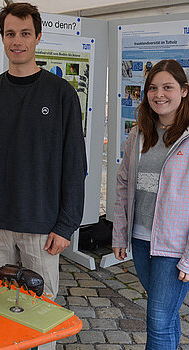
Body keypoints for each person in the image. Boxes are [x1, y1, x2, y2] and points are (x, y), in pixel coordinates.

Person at [0, 4, 86, 348]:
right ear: (2, 38)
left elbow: (75, 165)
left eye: (25, 33)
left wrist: (66, 225)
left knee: (42, 318)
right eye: (10, 34)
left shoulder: (61, 95)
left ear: (38, 37)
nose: (17, 41)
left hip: (43, 229)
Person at [112, 59, 189, 349]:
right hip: (142, 240)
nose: (159, 94)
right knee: (165, 316)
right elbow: (122, 185)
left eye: (168, 87)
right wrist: (120, 233)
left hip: (174, 246)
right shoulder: (139, 133)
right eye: (153, 88)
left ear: (183, 90)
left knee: (157, 322)